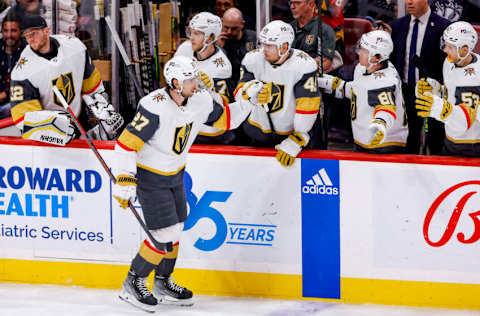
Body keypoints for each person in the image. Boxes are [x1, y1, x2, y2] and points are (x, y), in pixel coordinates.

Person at [112, 55, 256, 312]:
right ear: (176, 82)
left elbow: (226, 120)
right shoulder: (153, 105)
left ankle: (162, 281)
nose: (197, 82)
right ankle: (133, 282)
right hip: (150, 177)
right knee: (162, 234)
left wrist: (247, 102)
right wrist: (124, 180)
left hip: (175, 174)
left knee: (176, 228)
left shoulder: (199, 99)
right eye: (191, 79)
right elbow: (126, 144)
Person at [9, 15, 123, 145]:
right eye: (26, 35)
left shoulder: (74, 47)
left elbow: (91, 86)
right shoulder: (22, 72)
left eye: (34, 33)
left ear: (47, 31)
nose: (30, 39)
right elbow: (23, 118)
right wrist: (52, 128)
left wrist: (103, 111)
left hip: (79, 120)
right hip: (46, 136)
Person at [237, 20, 320, 167]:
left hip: (290, 137)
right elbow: (239, 93)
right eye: (263, 44)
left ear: (284, 47)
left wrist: (299, 137)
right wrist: (251, 91)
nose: (264, 50)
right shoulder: (252, 59)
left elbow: (307, 106)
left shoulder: (303, 65)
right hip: (258, 135)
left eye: (269, 45)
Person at [318, 30, 408, 153]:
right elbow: (361, 92)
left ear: (377, 57)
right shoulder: (364, 68)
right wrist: (331, 84)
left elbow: (386, 107)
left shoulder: (384, 80)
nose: (359, 52)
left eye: (364, 51)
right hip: (364, 140)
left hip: (382, 144)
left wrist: (380, 125)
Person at [390, 0, 451, 154]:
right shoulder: (397, 26)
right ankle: (410, 174)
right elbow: (394, 59)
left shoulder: (443, 26)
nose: (409, 2)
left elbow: (447, 62)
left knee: (435, 140)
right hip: (406, 90)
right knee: (409, 139)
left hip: (433, 94)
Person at [415, 21, 480, 157]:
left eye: (450, 47)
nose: (445, 50)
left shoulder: (475, 79)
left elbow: (467, 121)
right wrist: (435, 89)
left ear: (464, 49)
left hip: (471, 148)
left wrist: (443, 110)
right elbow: (450, 94)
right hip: (451, 141)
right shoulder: (450, 62)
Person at [175, 11, 235, 144]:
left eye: (197, 33)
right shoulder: (184, 49)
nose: (191, 38)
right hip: (187, 126)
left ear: (210, 38)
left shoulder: (221, 66)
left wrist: (209, 91)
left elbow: (221, 110)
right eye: (190, 32)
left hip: (211, 133)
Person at [289, 0, 336, 72]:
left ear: (310, 4)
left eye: (297, 3)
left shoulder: (324, 30)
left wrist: (298, 69)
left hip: (311, 78)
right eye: (291, 3)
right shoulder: (287, 28)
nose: (292, 7)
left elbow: (325, 62)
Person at [217, 8, 256, 86]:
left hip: (248, 85)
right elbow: (217, 69)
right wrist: (219, 49)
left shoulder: (253, 38)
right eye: (226, 27)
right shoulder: (217, 40)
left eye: (234, 28)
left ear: (242, 24)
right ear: (221, 23)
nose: (229, 32)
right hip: (226, 86)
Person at [0, 12, 25, 119]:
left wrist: (4, 94)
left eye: (13, 31)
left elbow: (29, 85)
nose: (9, 35)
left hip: (18, 104)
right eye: (6, 31)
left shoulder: (28, 52)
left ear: (21, 32)